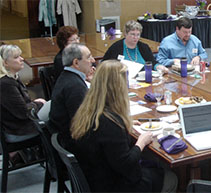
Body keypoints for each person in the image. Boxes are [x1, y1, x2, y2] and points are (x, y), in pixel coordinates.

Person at [70, 60, 177, 192]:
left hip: (95, 177)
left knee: (154, 163)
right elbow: (126, 164)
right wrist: (141, 142)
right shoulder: (109, 123)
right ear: (117, 87)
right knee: (171, 178)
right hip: (113, 185)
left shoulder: (89, 109)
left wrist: (125, 125)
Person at [48, 44, 95, 147]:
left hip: (65, 136)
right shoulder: (75, 87)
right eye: (88, 57)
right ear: (76, 62)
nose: (93, 60)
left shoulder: (66, 76)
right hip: (74, 142)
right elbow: (84, 124)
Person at [0, 45, 46, 142]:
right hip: (18, 130)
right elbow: (23, 112)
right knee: (57, 123)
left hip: (19, 125)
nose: (22, 59)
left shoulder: (13, 77)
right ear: (5, 63)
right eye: (16, 57)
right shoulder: (6, 84)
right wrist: (39, 103)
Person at [103, 20, 168, 73]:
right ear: (125, 34)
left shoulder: (144, 47)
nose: (135, 37)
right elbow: (105, 65)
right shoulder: (116, 47)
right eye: (132, 34)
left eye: (138, 35)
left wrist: (158, 67)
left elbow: (152, 62)